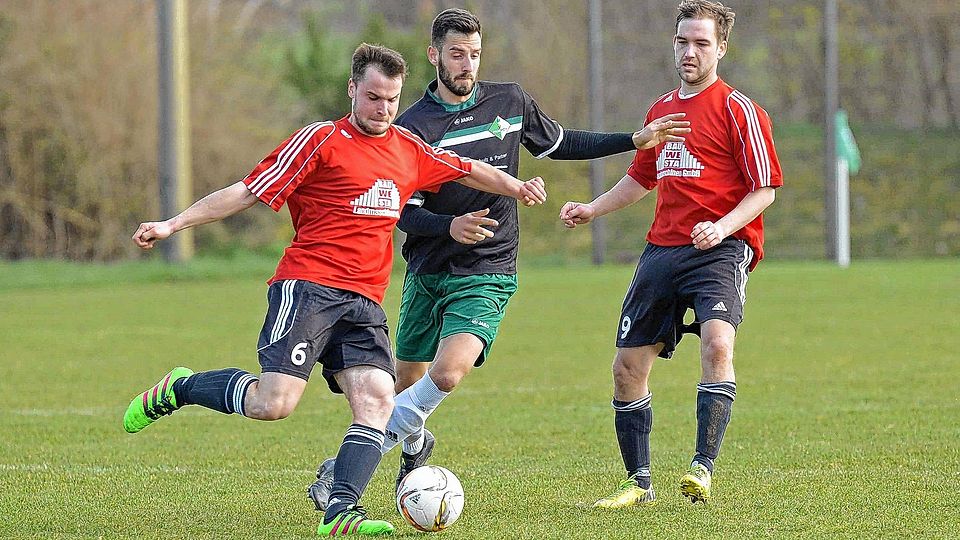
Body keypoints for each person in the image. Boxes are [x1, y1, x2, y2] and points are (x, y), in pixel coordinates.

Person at [122, 43, 546, 537]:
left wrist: (515, 188)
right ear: (352, 90)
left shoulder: (408, 148)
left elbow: (465, 167)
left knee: (378, 400)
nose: (383, 109)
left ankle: (341, 512)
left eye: (391, 99)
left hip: (364, 301)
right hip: (308, 288)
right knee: (273, 404)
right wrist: (173, 224)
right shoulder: (320, 140)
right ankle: (182, 386)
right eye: (372, 98)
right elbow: (245, 191)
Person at [307, 8, 690, 511]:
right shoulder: (411, 127)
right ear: (434, 55)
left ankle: (341, 474)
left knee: (447, 374)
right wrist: (449, 227)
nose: (467, 65)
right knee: (406, 387)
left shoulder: (508, 101)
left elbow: (561, 142)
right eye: (457, 55)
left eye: (474, 55)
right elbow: (400, 211)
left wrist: (631, 140)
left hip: (488, 268)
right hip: (428, 270)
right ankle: (415, 444)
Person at [560, 0, 782, 507]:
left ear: (721, 48)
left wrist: (721, 228)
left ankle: (702, 468)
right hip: (662, 249)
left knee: (718, 345)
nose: (690, 51)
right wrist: (593, 209)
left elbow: (764, 188)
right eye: (683, 41)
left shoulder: (737, 110)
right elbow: (642, 176)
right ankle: (638, 483)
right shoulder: (660, 110)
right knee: (626, 366)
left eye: (702, 43)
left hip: (720, 250)